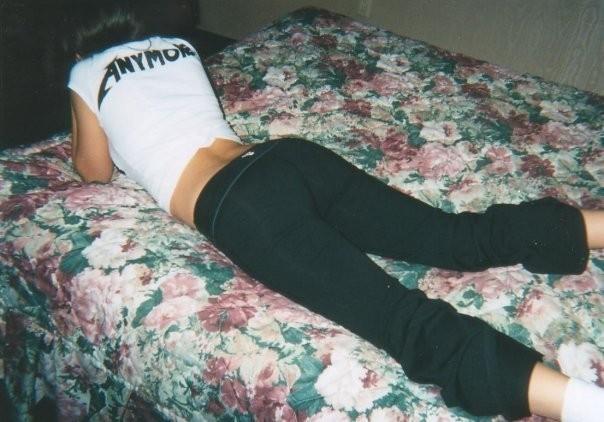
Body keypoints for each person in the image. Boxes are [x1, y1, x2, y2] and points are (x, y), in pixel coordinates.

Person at [65, 1, 604, 420]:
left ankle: (584, 406)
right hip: (286, 158)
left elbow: (93, 169)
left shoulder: (86, 71)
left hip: (238, 203)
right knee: (455, 236)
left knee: (398, 318)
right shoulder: (178, 46)